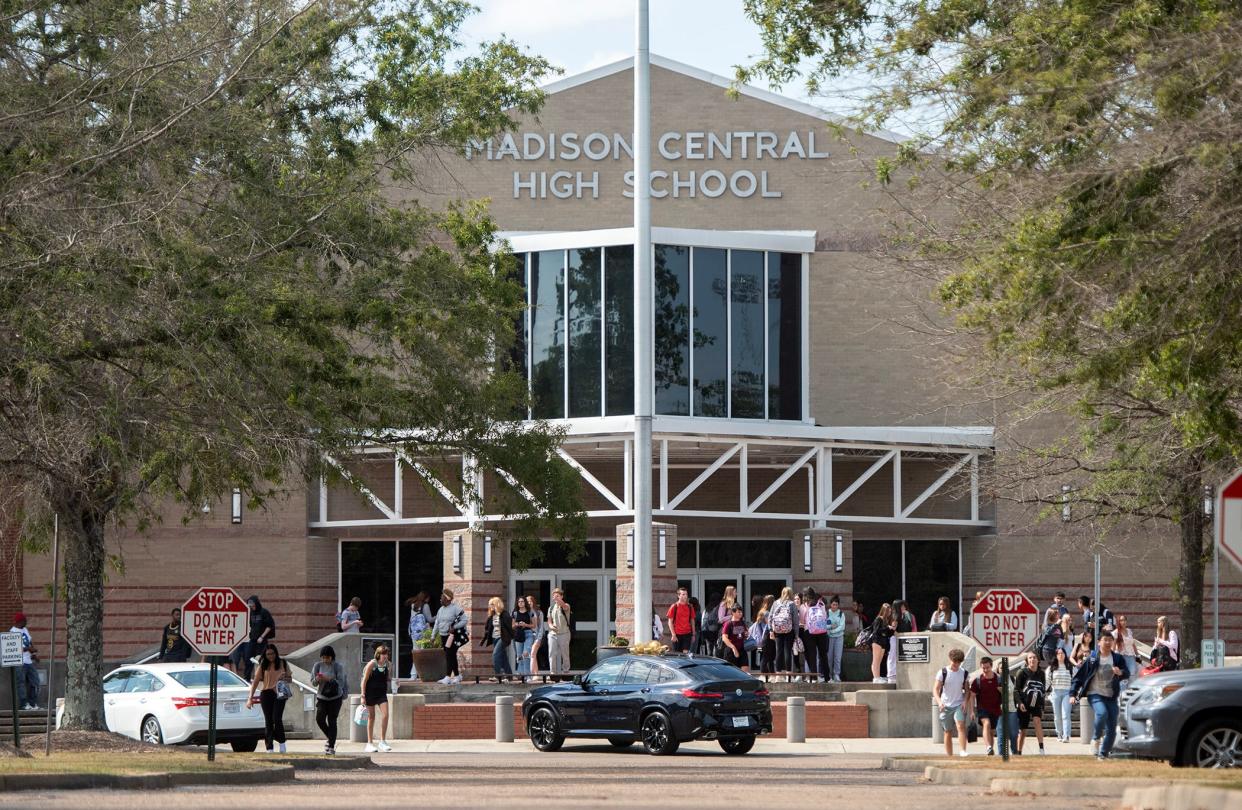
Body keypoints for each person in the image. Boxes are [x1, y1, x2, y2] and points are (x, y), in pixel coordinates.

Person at [1070, 632, 1130, 759]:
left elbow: (1127, 672)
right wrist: (1072, 693)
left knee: (1112, 728)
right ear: (1098, 642)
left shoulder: (1117, 658)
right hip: (1094, 694)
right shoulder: (1092, 658)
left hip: (1111, 696)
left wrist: (1120, 672)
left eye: (1110, 640)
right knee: (1102, 713)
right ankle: (1096, 738)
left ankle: (1103, 754)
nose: (1108, 643)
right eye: (1105, 640)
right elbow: (1079, 677)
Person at [246, 643, 292, 753]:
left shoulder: (283, 663)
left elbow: (290, 680)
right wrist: (250, 698)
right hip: (266, 694)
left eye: (272, 653)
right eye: (268, 654)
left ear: (276, 653)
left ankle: (282, 743)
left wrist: (285, 677)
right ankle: (269, 747)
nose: (270, 656)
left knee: (277, 718)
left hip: (280, 694)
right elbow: (256, 682)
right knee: (268, 721)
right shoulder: (263, 665)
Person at [934, 647, 972, 757]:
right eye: (954, 662)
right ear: (950, 659)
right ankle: (949, 756)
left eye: (959, 663)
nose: (956, 665)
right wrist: (939, 702)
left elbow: (967, 689)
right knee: (947, 731)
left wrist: (965, 701)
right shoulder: (943, 672)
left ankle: (963, 751)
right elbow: (936, 689)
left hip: (958, 704)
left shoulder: (964, 673)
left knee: (960, 725)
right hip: (945, 705)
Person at [311, 645, 347, 755]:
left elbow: (341, 683)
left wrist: (328, 679)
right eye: (323, 657)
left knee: (332, 720)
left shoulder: (337, 666)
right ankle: (331, 737)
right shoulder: (317, 666)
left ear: (332, 657)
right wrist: (317, 679)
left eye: (327, 657)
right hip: (322, 697)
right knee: (319, 719)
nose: (325, 660)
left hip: (335, 697)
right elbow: (312, 682)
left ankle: (331, 746)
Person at [360, 644, 393, 752]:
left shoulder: (388, 665)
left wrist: (394, 681)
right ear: (378, 654)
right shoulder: (372, 664)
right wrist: (363, 696)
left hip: (381, 694)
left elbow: (388, 678)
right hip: (370, 693)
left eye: (386, 654)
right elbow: (364, 681)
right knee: (371, 717)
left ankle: (382, 741)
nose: (385, 656)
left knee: (386, 715)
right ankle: (369, 743)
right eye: (383, 654)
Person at [1013, 651, 1047, 755]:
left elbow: (1043, 690)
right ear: (1027, 661)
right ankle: (1019, 752)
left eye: (1034, 657)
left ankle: (1041, 749)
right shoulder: (1021, 672)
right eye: (1030, 658)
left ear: (1038, 660)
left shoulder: (1041, 673)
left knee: (1037, 722)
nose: (1032, 659)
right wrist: (1019, 703)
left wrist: (1043, 707)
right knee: (1023, 731)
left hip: (1036, 703)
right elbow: (1016, 690)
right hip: (1024, 704)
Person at [433, 588, 468, 684]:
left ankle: (448, 677)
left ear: (448, 598)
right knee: (450, 655)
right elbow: (437, 623)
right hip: (443, 635)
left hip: (452, 636)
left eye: (442, 597)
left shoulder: (455, 608)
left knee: (449, 655)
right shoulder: (440, 609)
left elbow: (464, 620)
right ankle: (457, 676)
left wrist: (455, 627)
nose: (440, 598)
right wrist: (433, 636)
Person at [970, 656, 1003, 756]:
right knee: (986, 724)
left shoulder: (998, 679)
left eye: (987, 668)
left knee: (992, 732)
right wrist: (972, 711)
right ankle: (988, 747)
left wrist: (1001, 691)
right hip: (982, 709)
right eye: (983, 668)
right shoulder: (978, 681)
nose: (985, 670)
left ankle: (990, 751)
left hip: (996, 709)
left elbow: (1005, 694)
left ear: (991, 666)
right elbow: (972, 696)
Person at [8, 613, 39, 710]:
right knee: (21, 683)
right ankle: (24, 704)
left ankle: (32, 703)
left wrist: (33, 655)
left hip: (28, 661)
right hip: (19, 662)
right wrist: (28, 649)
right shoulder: (12, 632)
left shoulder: (25, 630)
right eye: (24, 620)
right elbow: (14, 649)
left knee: (35, 682)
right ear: (19, 622)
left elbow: (29, 642)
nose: (26, 622)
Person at [243, 595, 275, 681]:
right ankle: (247, 677)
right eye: (250, 606)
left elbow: (269, 626)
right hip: (252, 639)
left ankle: (261, 677)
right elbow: (250, 625)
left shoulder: (264, 612)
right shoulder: (251, 613)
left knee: (261, 659)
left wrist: (262, 636)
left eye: (253, 605)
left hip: (262, 640)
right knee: (248, 658)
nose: (252, 607)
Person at [481, 596, 513, 681]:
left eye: (491, 604)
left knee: (495, 655)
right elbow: (487, 629)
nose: (490, 606)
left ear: (497, 604)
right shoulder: (492, 616)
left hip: (502, 638)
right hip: (495, 638)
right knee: (503, 657)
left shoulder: (504, 614)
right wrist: (483, 640)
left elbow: (510, 627)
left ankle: (497, 675)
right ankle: (509, 676)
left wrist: (513, 636)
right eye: (489, 605)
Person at [803, 588, 830, 683]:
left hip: (809, 632)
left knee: (812, 655)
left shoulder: (805, 605)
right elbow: (826, 617)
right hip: (822, 631)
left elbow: (803, 619)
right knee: (823, 655)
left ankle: (814, 678)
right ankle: (827, 678)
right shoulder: (821, 603)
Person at [1048, 646, 1074, 743]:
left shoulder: (1070, 667)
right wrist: (1047, 694)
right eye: (1058, 653)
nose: (1060, 655)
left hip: (1067, 692)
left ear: (1065, 655)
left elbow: (1075, 680)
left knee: (1065, 715)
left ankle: (1066, 735)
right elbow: (1047, 682)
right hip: (1056, 693)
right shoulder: (1051, 668)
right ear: (1056, 655)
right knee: (1057, 716)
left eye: (1062, 653)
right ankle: (1059, 733)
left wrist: (1074, 694)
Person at [769, 587, 798, 673]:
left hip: (777, 631)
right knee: (787, 651)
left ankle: (778, 674)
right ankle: (788, 673)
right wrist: (796, 634)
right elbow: (795, 620)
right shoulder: (792, 604)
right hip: (789, 631)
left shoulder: (775, 603)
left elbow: (770, 617)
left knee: (779, 651)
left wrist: (771, 630)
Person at [887, 599, 915, 684]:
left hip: (901, 639)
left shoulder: (906, 615)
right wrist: (899, 636)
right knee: (893, 656)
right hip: (894, 638)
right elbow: (893, 629)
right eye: (902, 606)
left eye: (904, 606)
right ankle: (891, 676)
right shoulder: (895, 616)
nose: (904, 607)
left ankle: (897, 675)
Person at [406, 592, 431, 678]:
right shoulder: (425, 606)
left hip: (414, 633)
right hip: (423, 633)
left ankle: (413, 675)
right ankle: (423, 674)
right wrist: (437, 616)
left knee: (416, 652)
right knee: (424, 653)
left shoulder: (413, 605)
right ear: (426, 598)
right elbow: (430, 619)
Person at [547, 587, 572, 674]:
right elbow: (549, 621)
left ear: (562, 596)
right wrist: (551, 626)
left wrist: (559, 600)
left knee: (565, 654)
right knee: (552, 653)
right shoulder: (551, 608)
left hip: (564, 633)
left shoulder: (566, 606)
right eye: (554, 596)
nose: (555, 598)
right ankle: (552, 672)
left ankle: (566, 671)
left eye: (558, 596)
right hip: (553, 634)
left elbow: (564, 606)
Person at [870, 603, 896, 683]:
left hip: (883, 642)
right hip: (877, 641)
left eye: (890, 611)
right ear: (884, 611)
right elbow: (876, 631)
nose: (889, 613)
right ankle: (876, 678)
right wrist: (887, 628)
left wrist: (892, 629)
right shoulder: (879, 619)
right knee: (876, 660)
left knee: (879, 660)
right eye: (888, 611)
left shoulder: (886, 620)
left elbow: (888, 634)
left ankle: (878, 676)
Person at [666, 586, 697, 653]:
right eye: (683, 594)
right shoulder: (674, 606)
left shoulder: (690, 607)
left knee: (685, 654)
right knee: (677, 655)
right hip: (677, 634)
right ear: (678, 596)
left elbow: (692, 621)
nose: (685, 596)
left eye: (686, 594)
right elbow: (670, 622)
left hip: (687, 634)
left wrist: (693, 634)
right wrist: (673, 634)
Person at [721, 604, 749, 672]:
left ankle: (743, 682)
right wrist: (733, 648)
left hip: (741, 649)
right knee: (732, 671)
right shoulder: (728, 624)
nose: (741, 613)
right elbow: (724, 638)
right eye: (738, 612)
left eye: (741, 612)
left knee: (745, 669)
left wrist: (746, 634)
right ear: (733, 613)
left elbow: (744, 635)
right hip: (731, 651)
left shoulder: (742, 623)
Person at [1114, 614, 1139, 689]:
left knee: (1132, 674)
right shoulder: (1116, 632)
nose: (1123, 622)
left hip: (1131, 656)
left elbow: (1133, 644)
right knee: (1123, 676)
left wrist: (1137, 655)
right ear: (1119, 622)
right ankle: (1122, 694)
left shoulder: (1129, 631)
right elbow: (1113, 646)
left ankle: (1130, 693)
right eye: (1121, 620)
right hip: (1121, 656)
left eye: (1124, 620)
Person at [825, 595, 846, 682]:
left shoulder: (841, 614)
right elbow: (825, 625)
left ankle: (836, 674)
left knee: (837, 657)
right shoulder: (827, 613)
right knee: (829, 657)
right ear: (830, 605)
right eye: (833, 604)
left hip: (839, 637)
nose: (834, 606)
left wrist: (832, 631)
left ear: (838, 605)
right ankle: (829, 675)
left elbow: (842, 627)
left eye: (836, 605)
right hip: (829, 638)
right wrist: (831, 626)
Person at [511, 596, 533, 677]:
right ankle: (521, 675)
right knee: (519, 656)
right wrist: (517, 624)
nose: (521, 603)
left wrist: (525, 624)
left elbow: (534, 625)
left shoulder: (530, 612)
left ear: (525, 602)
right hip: (518, 634)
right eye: (519, 602)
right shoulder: (515, 613)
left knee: (526, 654)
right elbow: (512, 626)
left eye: (522, 601)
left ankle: (528, 676)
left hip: (528, 634)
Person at [749, 607, 773, 673]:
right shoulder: (765, 621)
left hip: (759, 643)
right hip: (765, 642)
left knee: (763, 657)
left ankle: (764, 673)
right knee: (765, 658)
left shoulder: (758, 622)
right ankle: (764, 674)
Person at [527, 595, 547, 675]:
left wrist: (539, 638)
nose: (529, 603)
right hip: (528, 636)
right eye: (527, 602)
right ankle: (534, 673)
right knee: (531, 655)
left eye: (530, 601)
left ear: (533, 602)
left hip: (537, 637)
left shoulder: (539, 613)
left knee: (532, 654)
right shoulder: (525, 613)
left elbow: (541, 627)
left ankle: (533, 674)